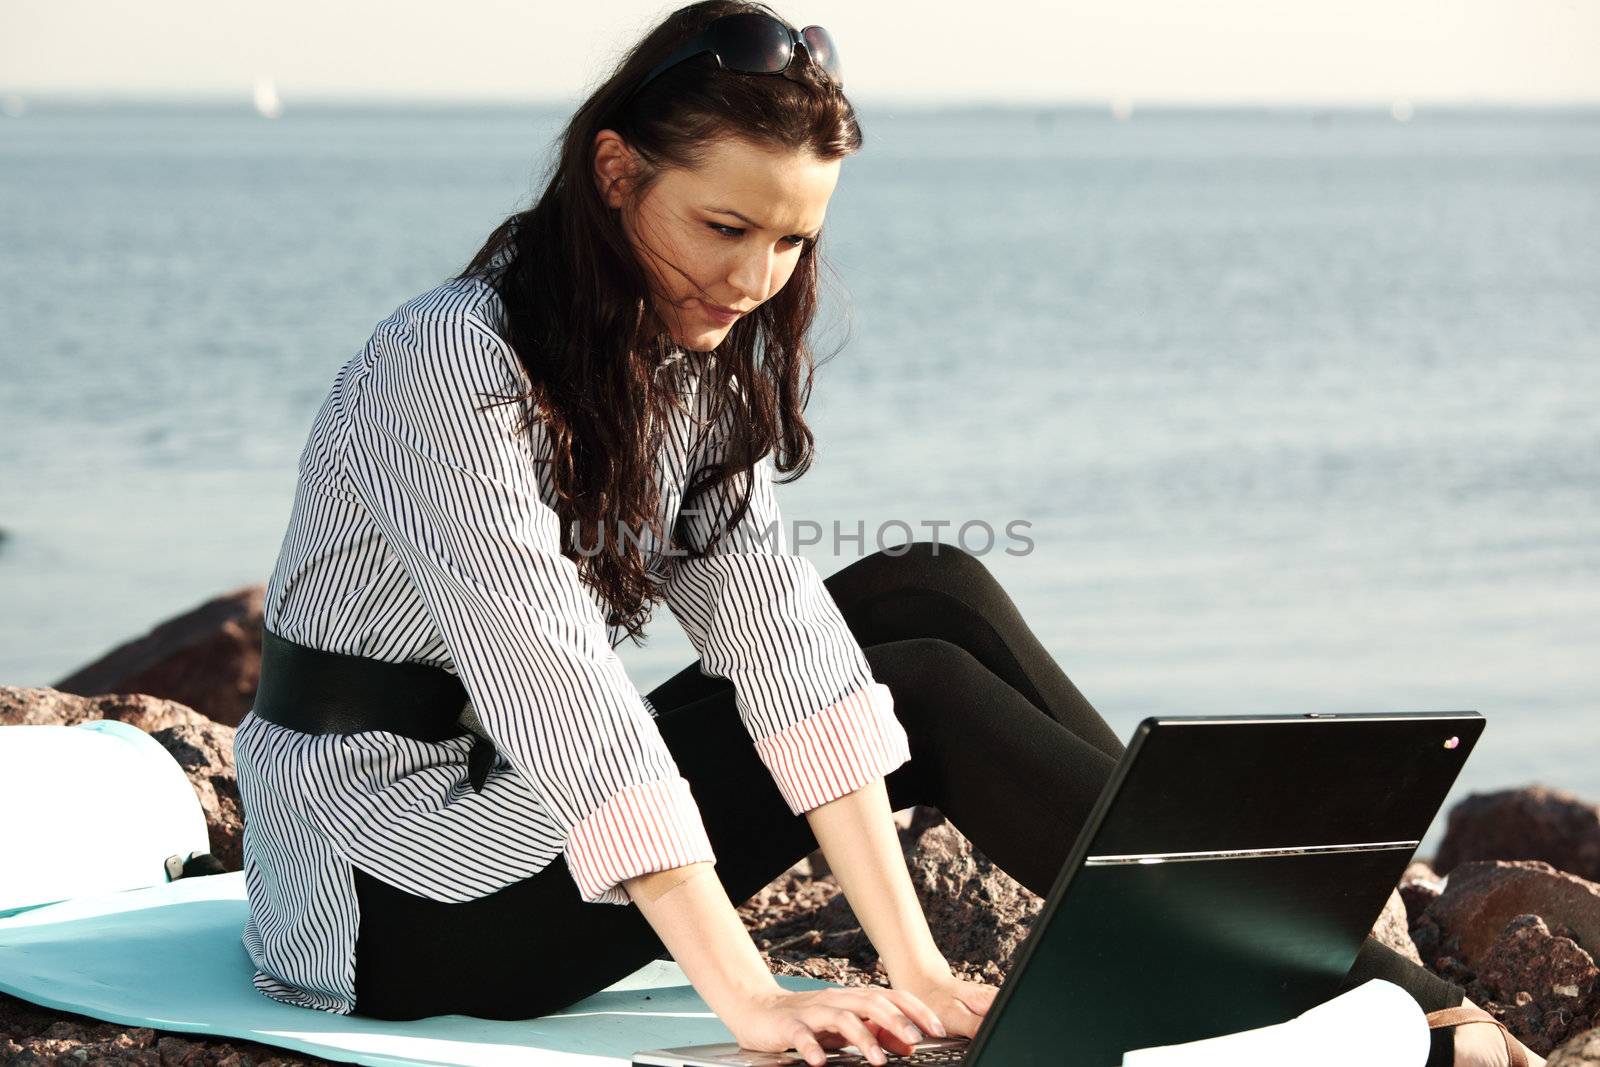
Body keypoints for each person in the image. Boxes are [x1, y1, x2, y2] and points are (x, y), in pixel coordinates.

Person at [233, 3, 1541, 1066]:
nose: (754, 281)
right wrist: (750, 997)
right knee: (916, 676)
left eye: (793, 241)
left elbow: (787, 640)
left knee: (930, 588)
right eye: (724, 226)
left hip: (507, 817)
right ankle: (1342, 984)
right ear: (617, 171)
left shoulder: (677, 366)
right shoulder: (449, 370)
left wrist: (914, 964)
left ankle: (1231, 926)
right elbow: (569, 700)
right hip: (390, 895)